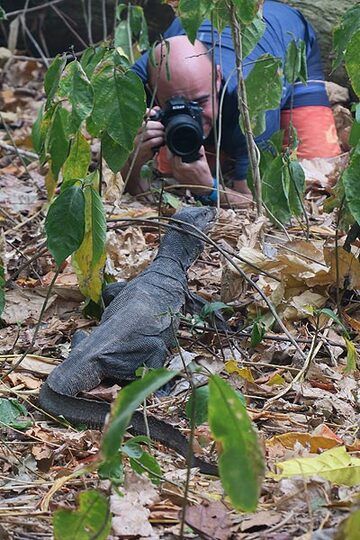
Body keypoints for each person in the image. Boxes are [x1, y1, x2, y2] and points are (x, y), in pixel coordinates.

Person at [122, 0, 341, 207]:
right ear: (153, 88)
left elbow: (259, 201)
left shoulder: (252, 103)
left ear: (217, 78)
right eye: (177, 103)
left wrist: (209, 189)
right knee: (173, 166)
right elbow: (130, 186)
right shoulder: (141, 75)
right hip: (198, 27)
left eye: (200, 102)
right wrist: (132, 160)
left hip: (287, 34)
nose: (193, 115)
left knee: (319, 175)